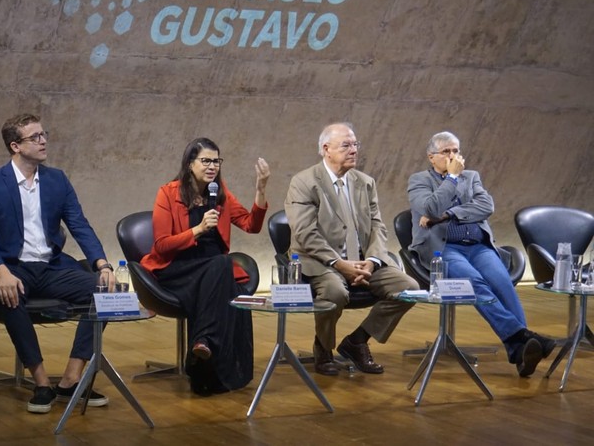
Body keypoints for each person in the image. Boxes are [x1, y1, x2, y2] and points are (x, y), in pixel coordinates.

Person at [0, 113, 116, 414]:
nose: (43, 140)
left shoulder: (57, 179)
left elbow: (79, 225)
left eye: (43, 134)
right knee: (9, 295)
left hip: (50, 266)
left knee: (106, 292)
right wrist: (1, 272)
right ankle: (40, 382)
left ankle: (70, 378)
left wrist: (102, 264)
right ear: (15, 146)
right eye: (34, 137)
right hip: (12, 266)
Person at [408, 131, 556, 376]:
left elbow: (486, 206)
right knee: (473, 281)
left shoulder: (472, 176)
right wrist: (452, 179)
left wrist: (449, 214)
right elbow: (430, 206)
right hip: (444, 248)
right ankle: (523, 337)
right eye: (446, 152)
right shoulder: (419, 180)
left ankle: (519, 351)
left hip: (478, 246)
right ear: (431, 157)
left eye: (456, 150)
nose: (453, 156)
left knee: (502, 283)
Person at [285, 122, 418, 376]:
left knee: (409, 289)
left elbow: (378, 226)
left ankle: (357, 341)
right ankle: (323, 349)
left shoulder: (365, 182)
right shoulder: (304, 182)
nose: (354, 150)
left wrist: (373, 261)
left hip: (363, 262)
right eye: (346, 145)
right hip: (322, 262)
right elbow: (305, 233)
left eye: (355, 144)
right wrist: (339, 264)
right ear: (326, 149)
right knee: (335, 293)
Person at [140, 138, 269, 394]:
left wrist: (261, 190)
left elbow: (251, 226)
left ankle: (204, 362)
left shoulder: (220, 194)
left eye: (216, 161)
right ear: (190, 164)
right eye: (206, 160)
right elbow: (162, 245)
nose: (212, 166)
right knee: (223, 272)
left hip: (213, 269)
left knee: (228, 284)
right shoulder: (168, 193)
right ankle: (204, 345)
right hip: (177, 267)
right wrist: (198, 230)